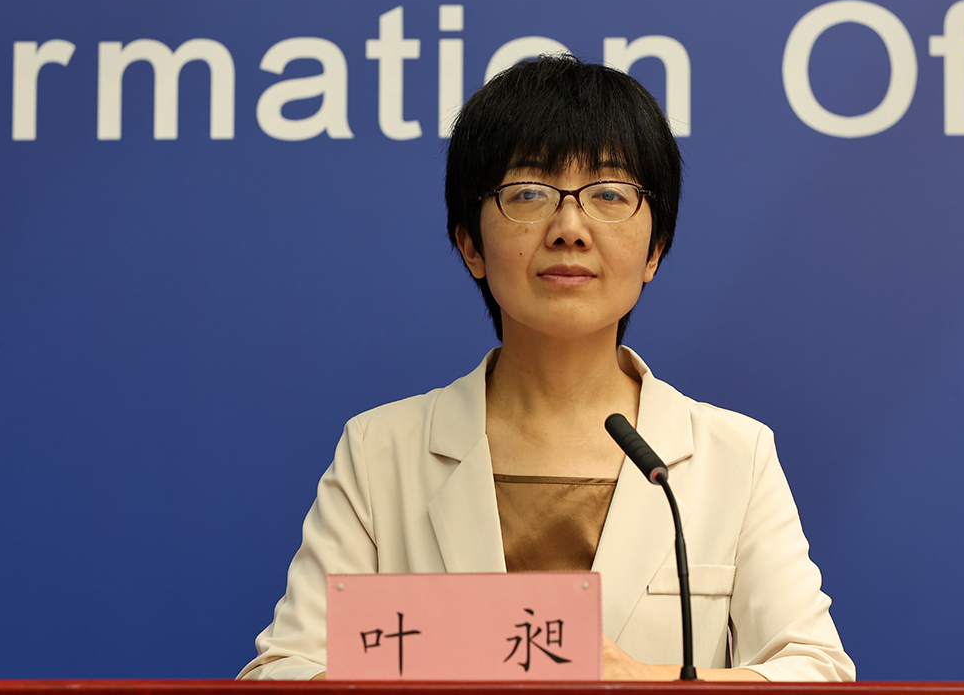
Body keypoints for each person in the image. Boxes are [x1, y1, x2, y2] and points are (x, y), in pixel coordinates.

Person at [237, 55, 854, 682]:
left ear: (654, 250)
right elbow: (281, 671)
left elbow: (817, 671)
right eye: (529, 193)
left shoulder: (735, 455)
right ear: (471, 244)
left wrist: (645, 681)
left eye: (609, 194)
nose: (569, 229)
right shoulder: (380, 450)